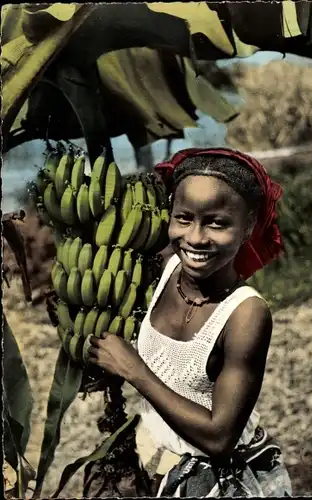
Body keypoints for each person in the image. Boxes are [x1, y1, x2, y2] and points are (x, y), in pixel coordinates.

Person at [88, 147, 293, 497]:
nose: (195, 238)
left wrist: (133, 370)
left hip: (214, 481)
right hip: (153, 460)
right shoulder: (163, 267)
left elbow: (220, 438)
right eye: (183, 218)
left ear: (248, 225)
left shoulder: (245, 314)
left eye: (217, 223)